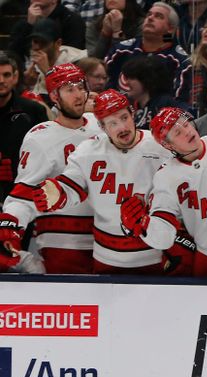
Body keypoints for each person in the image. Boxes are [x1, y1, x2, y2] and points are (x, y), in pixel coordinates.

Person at [30, 89, 172, 274]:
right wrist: (58, 193)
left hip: (154, 255)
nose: (122, 127)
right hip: (106, 258)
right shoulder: (88, 151)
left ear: (133, 114)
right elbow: (72, 184)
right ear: (102, 127)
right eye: (112, 123)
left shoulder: (161, 148)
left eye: (124, 118)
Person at [119, 107, 207, 277]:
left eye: (186, 124)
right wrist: (144, 225)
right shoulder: (166, 176)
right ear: (167, 145)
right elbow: (165, 233)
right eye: (178, 132)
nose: (187, 132)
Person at [0, 64, 101, 273]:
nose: (79, 95)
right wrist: (11, 226)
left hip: (106, 235)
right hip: (62, 239)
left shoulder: (100, 125)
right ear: (55, 96)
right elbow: (24, 193)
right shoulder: (40, 137)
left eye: (81, 87)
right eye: (70, 89)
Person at [105, 2, 192, 104]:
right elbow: (104, 85)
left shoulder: (179, 61)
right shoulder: (121, 50)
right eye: (149, 14)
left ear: (170, 28)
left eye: (158, 16)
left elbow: (178, 104)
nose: (150, 18)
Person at [0, 53, 48, 193]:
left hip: (24, 189)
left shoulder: (34, 111)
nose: (1, 80)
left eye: (7, 75)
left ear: (15, 78)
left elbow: (46, 152)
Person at [21, 19, 88, 97]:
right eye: (35, 42)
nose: (37, 47)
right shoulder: (35, 62)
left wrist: (47, 72)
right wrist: (27, 84)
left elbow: (69, 99)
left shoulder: (76, 63)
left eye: (43, 43)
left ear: (58, 43)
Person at [120, 55, 189, 130]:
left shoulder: (165, 103)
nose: (126, 83)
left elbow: (188, 119)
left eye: (131, 78)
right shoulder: (134, 110)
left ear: (145, 80)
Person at [9, 0, 86, 62]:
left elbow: (73, 56)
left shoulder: (71, 20)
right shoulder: (23, 24)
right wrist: (29, 25)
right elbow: (13, 56)